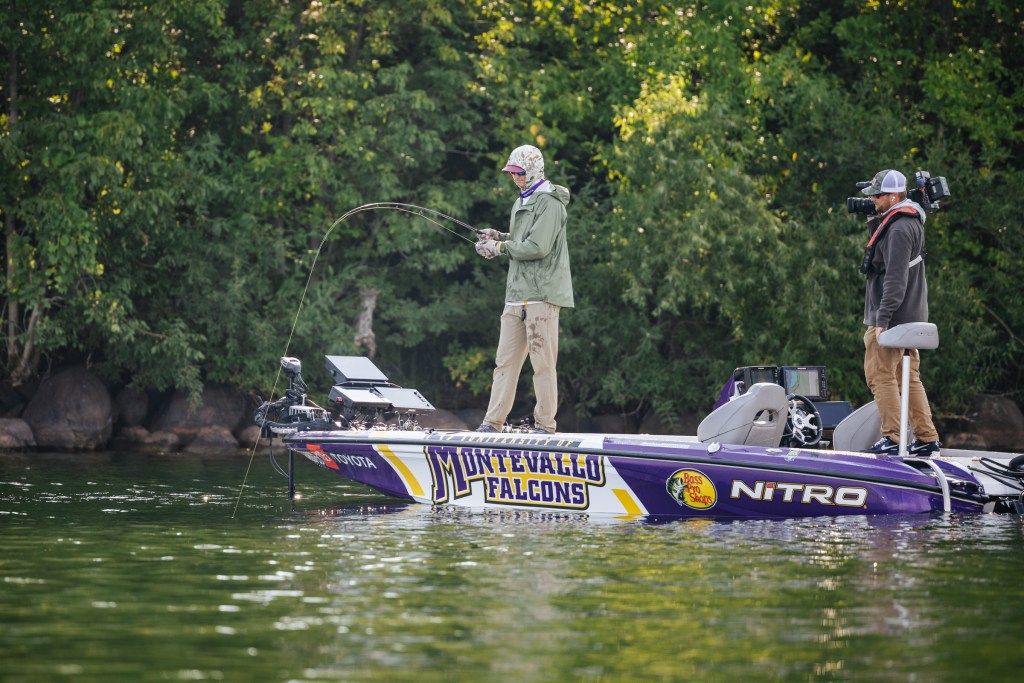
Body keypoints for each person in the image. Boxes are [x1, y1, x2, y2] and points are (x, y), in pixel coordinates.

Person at [474, 145, 573, 434]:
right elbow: (520, 239)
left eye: (519, 172)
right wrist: (497, 236)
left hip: (541, 295)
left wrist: (500, 247)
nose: (515, 178)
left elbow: (538, 247)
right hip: (516, 295)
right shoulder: (522, 200)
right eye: (511, 173)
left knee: (542, 364)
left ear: (532, 170)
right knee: (504, 363)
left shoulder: (550, 202)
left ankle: (545, 425)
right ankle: (492, 423)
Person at [859, 169, 942, 456]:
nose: (873, 200)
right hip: (909, 314)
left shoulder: (898, 228)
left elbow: (895, 279)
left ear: (894, 196)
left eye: (878, 196)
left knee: (879, 376)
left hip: (892, 317)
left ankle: (893, 439)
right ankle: (927, 439)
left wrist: (882, 320)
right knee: (908, 378)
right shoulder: (907, 221)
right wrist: (874, 219)